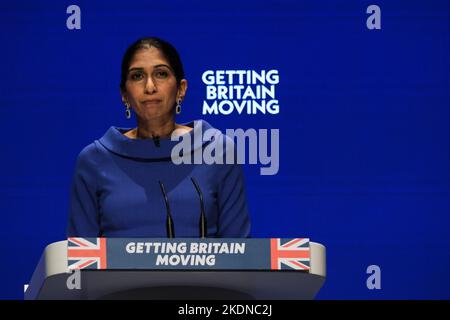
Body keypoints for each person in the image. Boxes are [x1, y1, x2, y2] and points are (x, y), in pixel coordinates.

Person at [66, 37, 251, 238]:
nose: (150, 87)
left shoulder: (219, 151)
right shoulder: (94, 160)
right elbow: (80, 260)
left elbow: (240, 253)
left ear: (181, 89)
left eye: (161, 74)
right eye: (137, 76)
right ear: (124, 94)